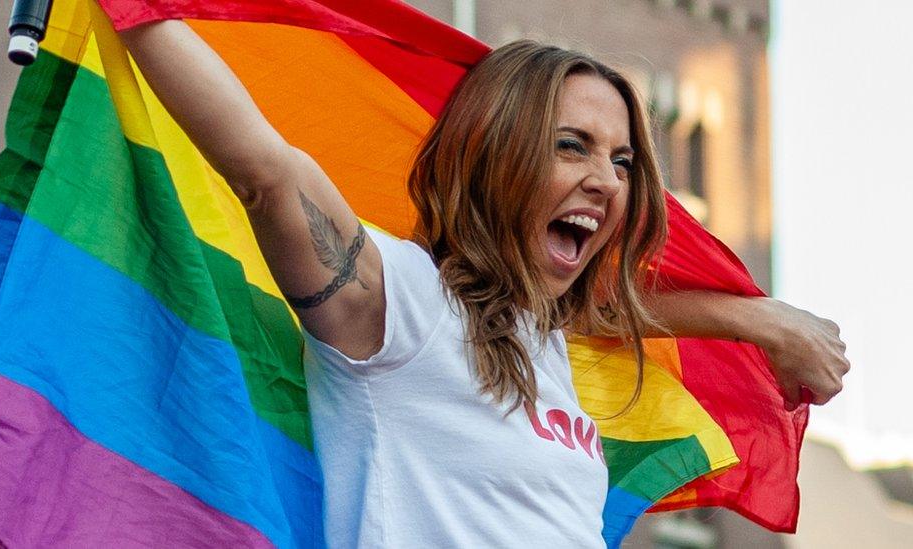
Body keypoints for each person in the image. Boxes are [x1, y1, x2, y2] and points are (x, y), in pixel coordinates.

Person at [119, 20, 848, 549]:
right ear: (494, 155)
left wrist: (765, 322)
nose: (605, 179)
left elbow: (607, 308)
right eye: (572, 147)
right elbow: (265, 173)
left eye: (622, 161)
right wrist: (132, 14)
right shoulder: (400, 307)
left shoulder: (546, 342)